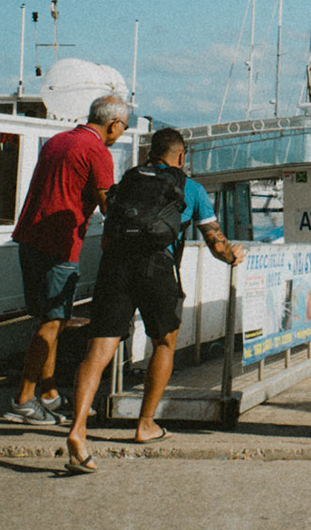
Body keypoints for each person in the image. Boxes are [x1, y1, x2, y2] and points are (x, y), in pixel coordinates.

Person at [61, 126, 244, 472]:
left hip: (115, 267)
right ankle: (145, 425)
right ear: (181, 156)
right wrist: (235, 255)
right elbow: (217, 246)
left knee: (98, 350)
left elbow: (107, 237)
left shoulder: (128, 183)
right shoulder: (191, 189)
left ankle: (78, 429)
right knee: (164, 343)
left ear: (150, 153)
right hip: (157, 269)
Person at [3, 93, 132, 425]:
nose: (120, 134)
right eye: (124, 127)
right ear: (114, 123)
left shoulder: (58, 141)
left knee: (49, 321)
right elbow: (108, 205)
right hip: (60, 244)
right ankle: (23, 400)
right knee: (52, 322)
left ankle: (48, 394)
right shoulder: (97, 151)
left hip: (29, 236)